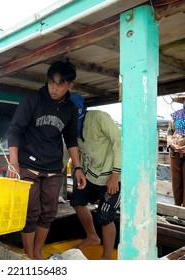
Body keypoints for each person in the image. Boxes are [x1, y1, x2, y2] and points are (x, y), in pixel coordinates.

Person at [7, 60, 86, 260]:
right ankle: (28, 255)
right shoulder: (33, 100)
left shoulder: (71, 109)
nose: (54, 88)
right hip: (27, 165)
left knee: (48, 212)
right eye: (51, 83)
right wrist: (13, 163)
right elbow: (15, 130)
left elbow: (70, 139)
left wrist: (77, 167)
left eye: (60, 85)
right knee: (31, 212)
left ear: (70, 85)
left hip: (53, 167)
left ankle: (37, 252)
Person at [69, 93, 121, 260]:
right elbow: (68, 152)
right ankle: (92, 236)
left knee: (105, 216)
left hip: (113, 177)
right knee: (77, 200)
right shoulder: (70, 129)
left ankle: (106, 257)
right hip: (91, 175)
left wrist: (115, 175)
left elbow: (118, 143)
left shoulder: (99, 117)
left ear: (80, 109)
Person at [167, 93, 185, 207]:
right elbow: (169, 133)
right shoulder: (175, 116)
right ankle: (177, 208)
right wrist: (171, 144)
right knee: (176, 181)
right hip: (174, 153)